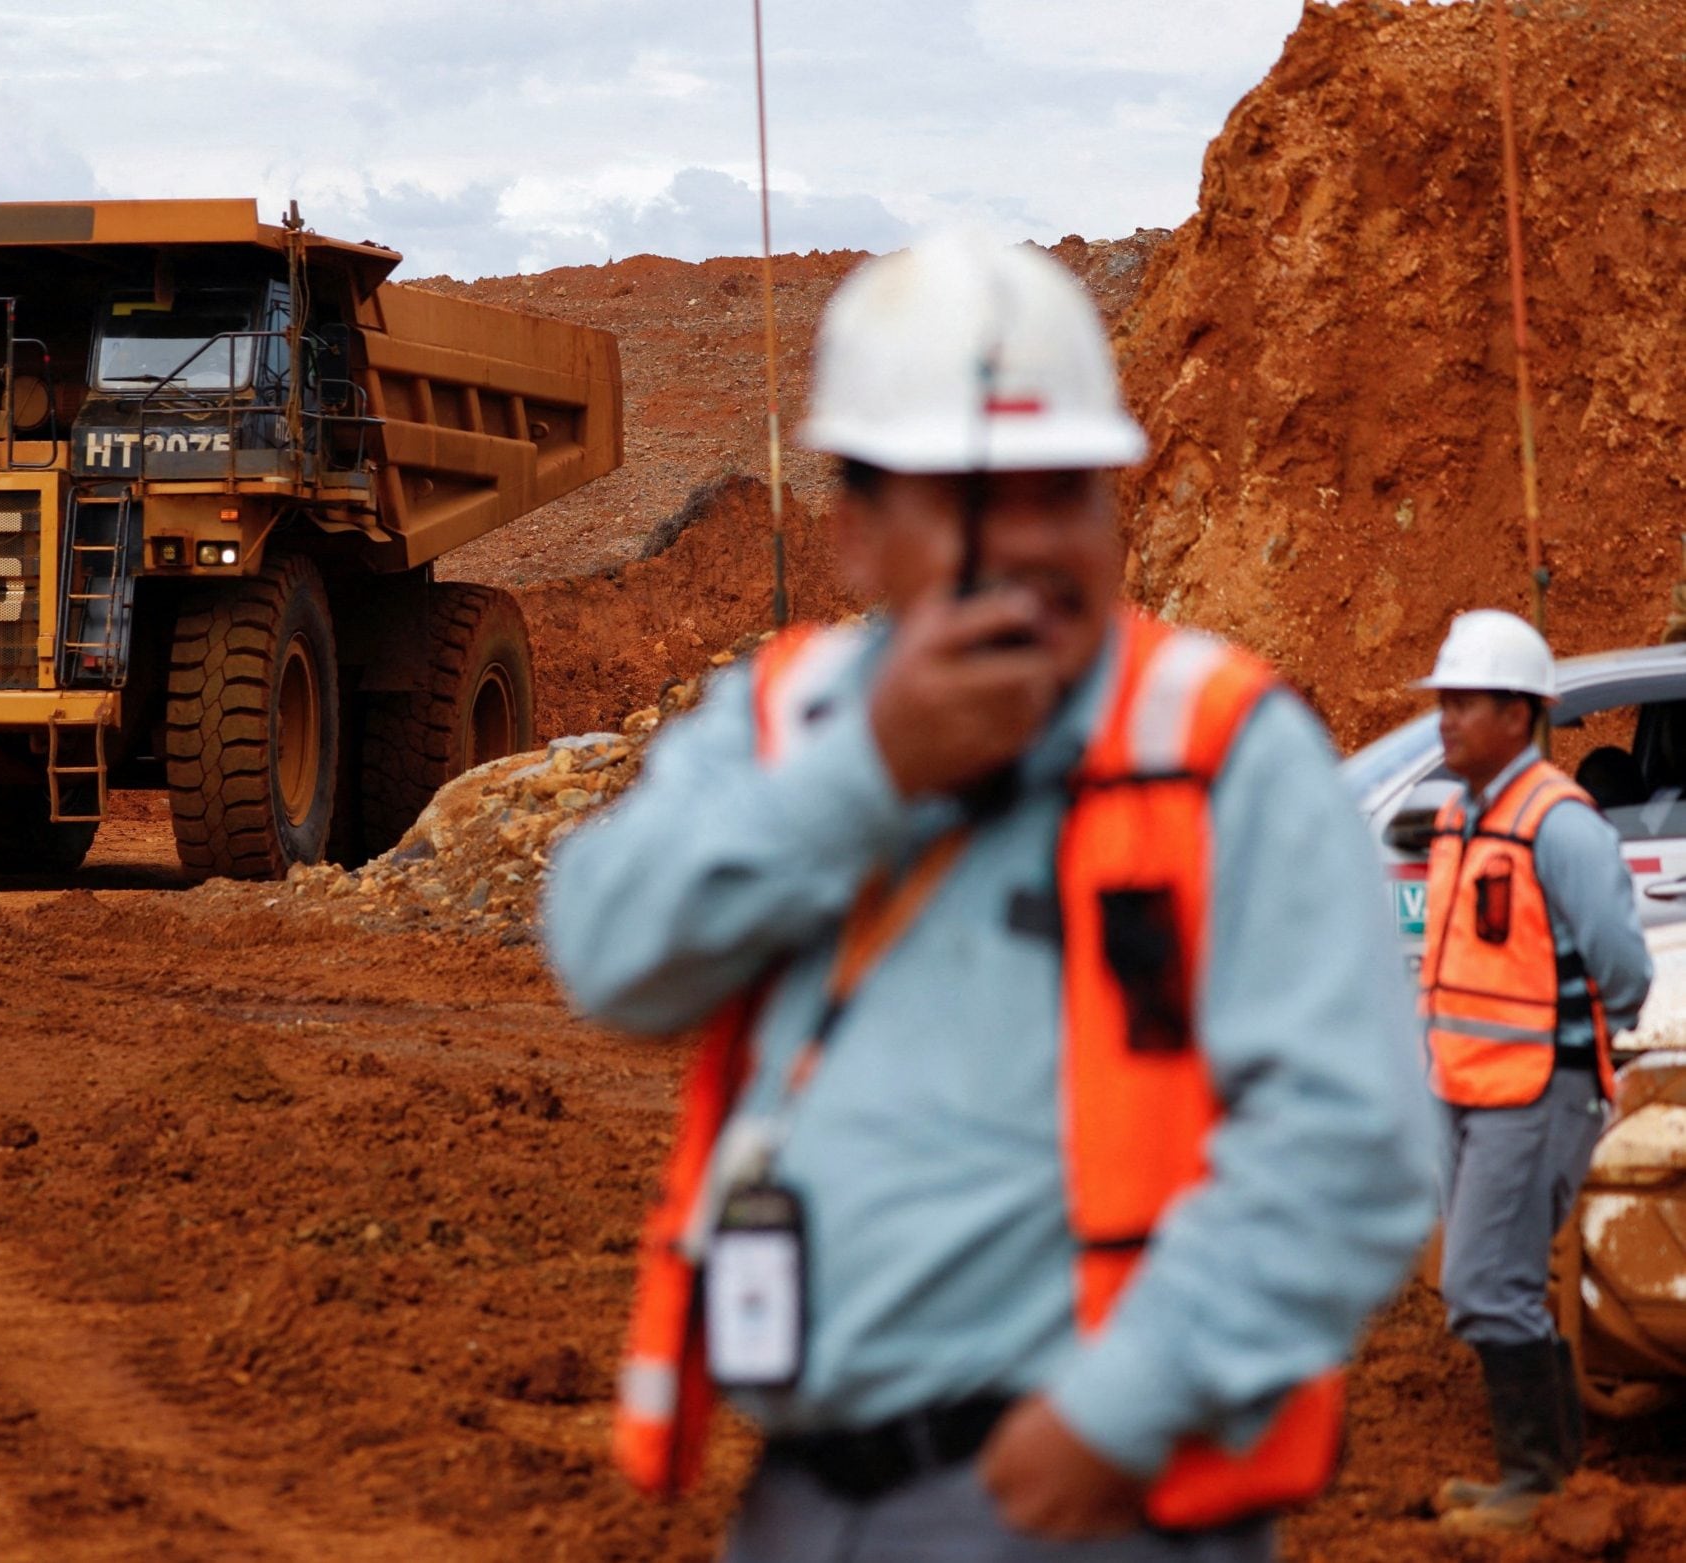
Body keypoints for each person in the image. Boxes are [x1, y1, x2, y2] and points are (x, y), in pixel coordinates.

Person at [541, 230, 1438, 1561]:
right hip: (804, 1495)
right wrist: (871, 772)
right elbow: (609, 951)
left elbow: (1352, 1141)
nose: (1029, 543)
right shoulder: (793, 726)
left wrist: (1114, 1416)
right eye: (976, 498)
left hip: (1074, 1497)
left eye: (1063, 492)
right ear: (856, 532)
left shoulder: (1217, 747)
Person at [1414, 610, 1652, 1535]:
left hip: (1537, 1091)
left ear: (1520, 715)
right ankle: (1551, 1481)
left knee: (1482, 1281)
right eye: (1443, 703)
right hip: (1473, 1090)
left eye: (1463, 703)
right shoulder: (1460, 816)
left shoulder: (1559, 825)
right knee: (1500, 1278)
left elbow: (1623, 966)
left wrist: (1581, 1067)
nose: (1445, 721)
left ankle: (1534, 1482)